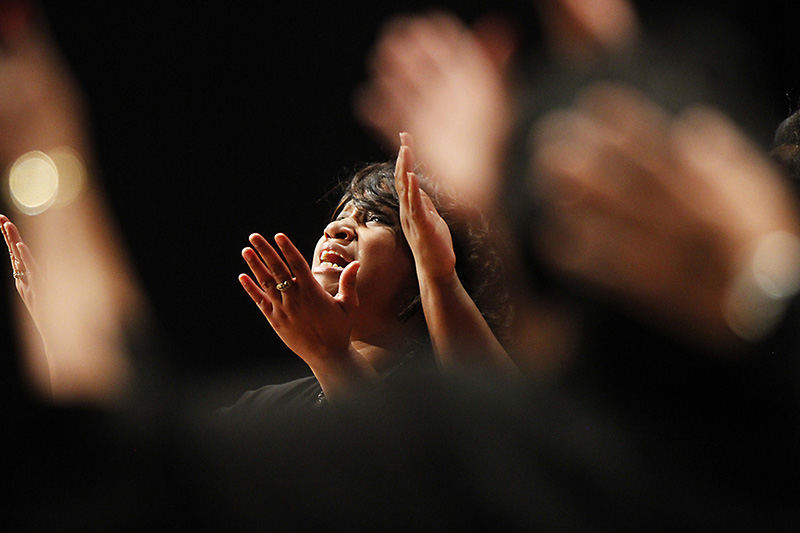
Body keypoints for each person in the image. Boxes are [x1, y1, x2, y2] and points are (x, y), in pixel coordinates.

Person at [224, 133, 516, 414]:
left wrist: (439, 276)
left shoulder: (451, 403)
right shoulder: (263, 407)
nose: (333, 229)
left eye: (374, 218)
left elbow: (416, 459)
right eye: (340, 217)